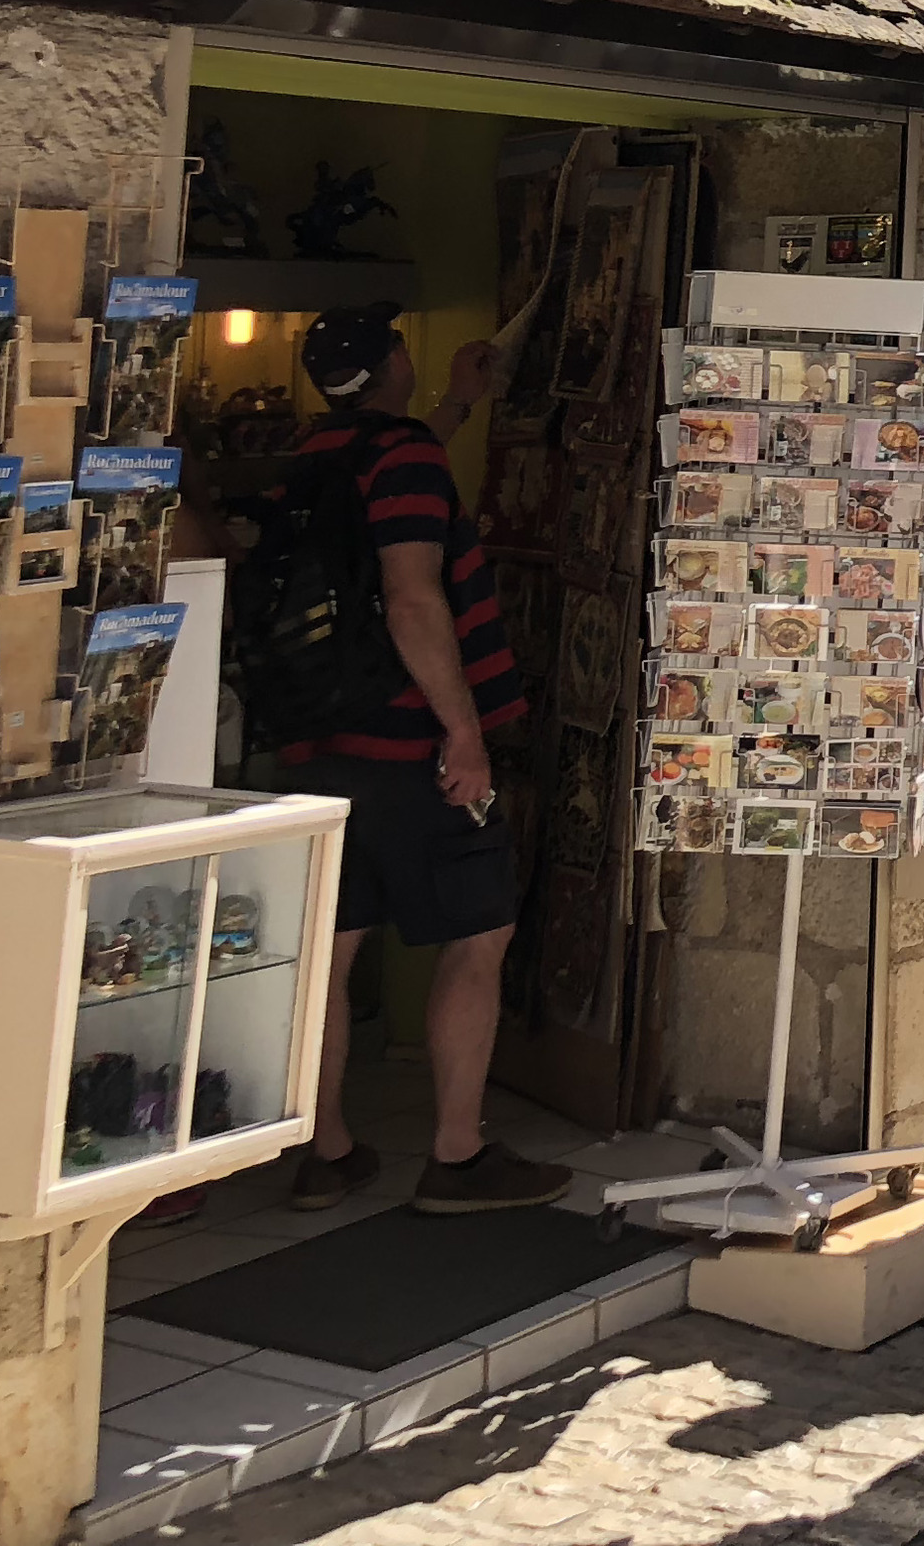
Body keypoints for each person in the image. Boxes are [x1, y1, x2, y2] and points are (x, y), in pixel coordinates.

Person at [262, 305, 567, 1217]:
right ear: (391, 359)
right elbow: (409, 599)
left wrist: (456, 407)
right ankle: (458, 1155)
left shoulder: (316, 456)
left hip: (317, 746)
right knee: (479, 937)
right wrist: (464, 734)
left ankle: (326, 1151)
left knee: (331, 952)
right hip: (408, 746)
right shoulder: (406, 463)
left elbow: (391, 484)